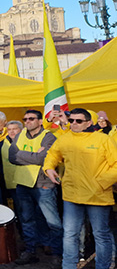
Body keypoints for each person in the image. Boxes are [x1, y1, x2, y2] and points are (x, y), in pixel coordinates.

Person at [44, 108, 117, 269]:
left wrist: (101, 183)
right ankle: (68, 266)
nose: (74, 124)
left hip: (98, 196)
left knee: (101, 234)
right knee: (70, 235)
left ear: (89, 122)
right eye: (71, 121)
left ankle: (103, 266)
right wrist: (49, 167)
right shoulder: (65, 139)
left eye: (78, 121)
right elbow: (52, 154)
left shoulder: (102, 139)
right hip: (72, 195)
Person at [8, 109, 62, 266]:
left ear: (40, 121)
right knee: (26, 219)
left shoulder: (48, 136)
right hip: (23, 183)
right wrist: (34, 156)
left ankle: (57, 253)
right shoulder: (19, 135)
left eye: (31, 118)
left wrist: (23, 154)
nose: (27, 121)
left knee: (52, 221)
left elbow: (43, 158)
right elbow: (12, 157)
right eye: (25, 119)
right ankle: (31, 251)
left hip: (43, 184)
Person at [0, 120, 21, 209]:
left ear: (21, 130)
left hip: (26, 182)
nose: (11, 131)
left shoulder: (27, 141)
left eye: (14, 129)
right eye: (9, 129)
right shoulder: (1, 144)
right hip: (10, 182)